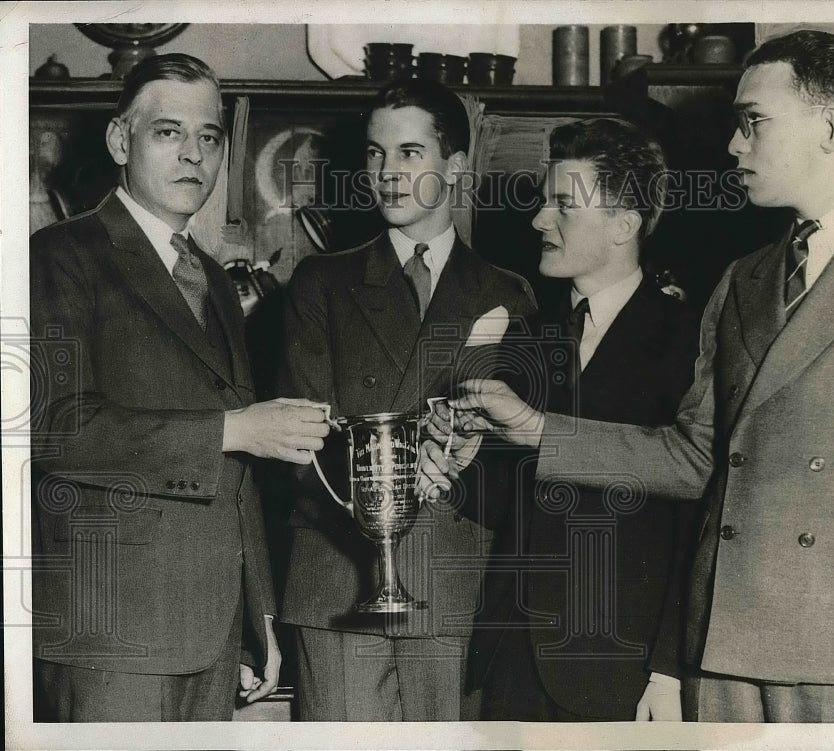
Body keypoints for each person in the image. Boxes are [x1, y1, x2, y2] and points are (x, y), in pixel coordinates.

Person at [422, 30, 834, 723]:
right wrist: (538, 429)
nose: (733, 147)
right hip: (720, 654)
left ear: (829, 127)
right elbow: (694, 458)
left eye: (753, 122)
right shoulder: (743, 278)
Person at [30, 53, 332, 722]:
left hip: (212, 633)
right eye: (168, 132)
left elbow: (240, 477)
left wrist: (257, 617)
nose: (194, 154)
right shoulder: (60, 255)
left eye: (210, 136)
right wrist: (235, 428)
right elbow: (54, 426)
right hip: (110, 634)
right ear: (119, 141)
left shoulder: (214, 279)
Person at [424, 117, 699, 720]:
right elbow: (515, 501)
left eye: (562, 205)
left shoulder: (689, 342)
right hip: (513, 658)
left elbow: (699, 522)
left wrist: (669, 669)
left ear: (624, 224)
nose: (538, 221)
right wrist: (460, 463)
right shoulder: (527, 335)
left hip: (622, 665)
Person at [279, 78, 536, 722]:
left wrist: (460, 461)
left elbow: (522, 459)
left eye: (410, 153)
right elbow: (297, 444)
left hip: (455, 587)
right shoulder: (321, 283)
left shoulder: (511, 294)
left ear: (455, 166)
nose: (388, 173)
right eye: (375, 154)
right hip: (339, 584)